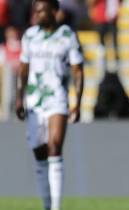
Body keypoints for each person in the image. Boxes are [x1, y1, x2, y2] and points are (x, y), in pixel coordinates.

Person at [15, 0, 84, 209]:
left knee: (55, 146)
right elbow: (24, 69)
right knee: (39, 151)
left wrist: (78, 102)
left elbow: (77, 71)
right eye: (35, 11)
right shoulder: (29, 36)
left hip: (58, 98)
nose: (36, 14)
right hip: (35, 101)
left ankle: (55, 207)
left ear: (54, 11)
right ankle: (46, 204)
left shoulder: (67, 36)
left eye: (41, 10)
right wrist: (19, 97)